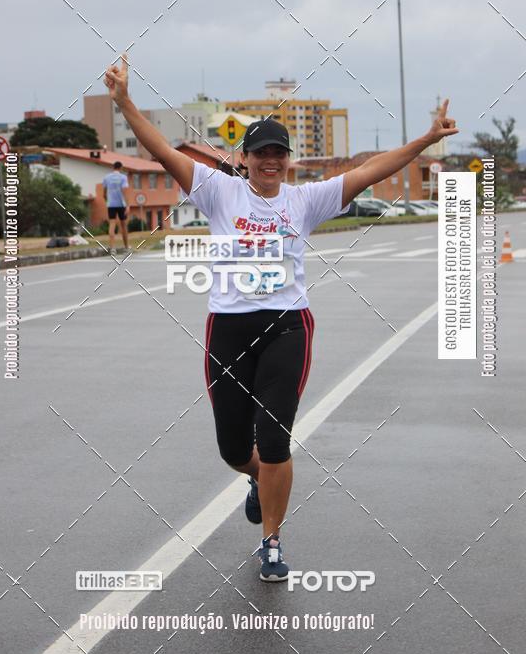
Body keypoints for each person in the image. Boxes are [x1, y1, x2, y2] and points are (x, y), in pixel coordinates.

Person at [104, 54, 457, 581]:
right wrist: (125, 101)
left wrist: (424, 142)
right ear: (244, 158)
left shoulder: (305, 200)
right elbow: (159, 150)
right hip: (229, 326)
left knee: (274, 438)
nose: (271, 162)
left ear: (288, 161)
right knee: (233, 449)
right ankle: (256, 478)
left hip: (287, 325)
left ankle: (272, 540)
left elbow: (369, 170)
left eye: (279, 155)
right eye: (261, 154)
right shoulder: (217, 192)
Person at [102, 161, 130, 254]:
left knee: (112, 224)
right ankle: (126, 247)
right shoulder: (123, 177)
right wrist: (128, 205)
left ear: (113, 167)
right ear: (121, 168)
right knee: (123, 225)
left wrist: (107, 200)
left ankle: (112, 248)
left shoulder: (107, 177)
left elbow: (104, 193)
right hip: (121, 204)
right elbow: (125, 191)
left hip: (111, 204)